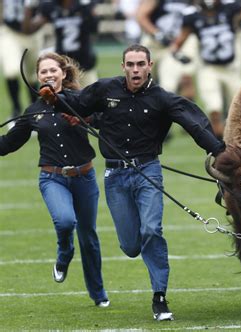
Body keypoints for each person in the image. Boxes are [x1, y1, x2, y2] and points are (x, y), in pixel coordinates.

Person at [38, 44, 226, 322]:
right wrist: (56, 97)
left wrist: (220, 151)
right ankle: (145, 261)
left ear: (150, 66)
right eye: (130, 64)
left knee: (152, 230)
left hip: (148, 172)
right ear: (123, 66)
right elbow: (77, 104)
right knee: (130, 246)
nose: (135, 70)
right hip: (115, 177)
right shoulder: (105, 89)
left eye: (140, 64)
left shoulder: (163, 98)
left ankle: (159, 298)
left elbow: (193, 124)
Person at [0, 52, 109, 308]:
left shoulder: (80, 101)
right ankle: (64, 254)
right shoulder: (33, 111)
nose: (48, 75)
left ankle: (98, 293)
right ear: (37, 77)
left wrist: (88, 118)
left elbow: (105, 120)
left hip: (85, 177)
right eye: (43, 72)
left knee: (89, 237)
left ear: (63, 73)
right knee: (65, 220)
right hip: (52, 178)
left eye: (53, 70)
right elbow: (9, 144)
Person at [170, 0, 241, 138]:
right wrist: (177, 54)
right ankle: (220, 146)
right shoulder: (192, 16)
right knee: (214, 109)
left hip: (230, 69)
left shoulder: (230, 9)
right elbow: (178, 42)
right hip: (209, 69)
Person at [23, 0, 100, 87]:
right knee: (62, 99)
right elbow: (28, 30)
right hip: (62, 65)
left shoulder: (84, 4)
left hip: (84, 63)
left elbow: (94, 28)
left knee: (91, 98)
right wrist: (28, 6)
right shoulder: (51, 6)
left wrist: (89, 11)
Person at [136, 0, 198, 101]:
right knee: (142, 81)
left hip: (179, 42)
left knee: (173, 84)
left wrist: (177, 43)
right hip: (153, 43)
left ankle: (185, 113)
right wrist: (157, 33)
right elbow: (141, 16)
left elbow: (196, 19)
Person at [0, 0, 43, 128]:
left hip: (33, 34)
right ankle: (16, 109)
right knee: (11, 70)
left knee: (32, 76)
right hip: (10, 31)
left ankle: (34, 110)